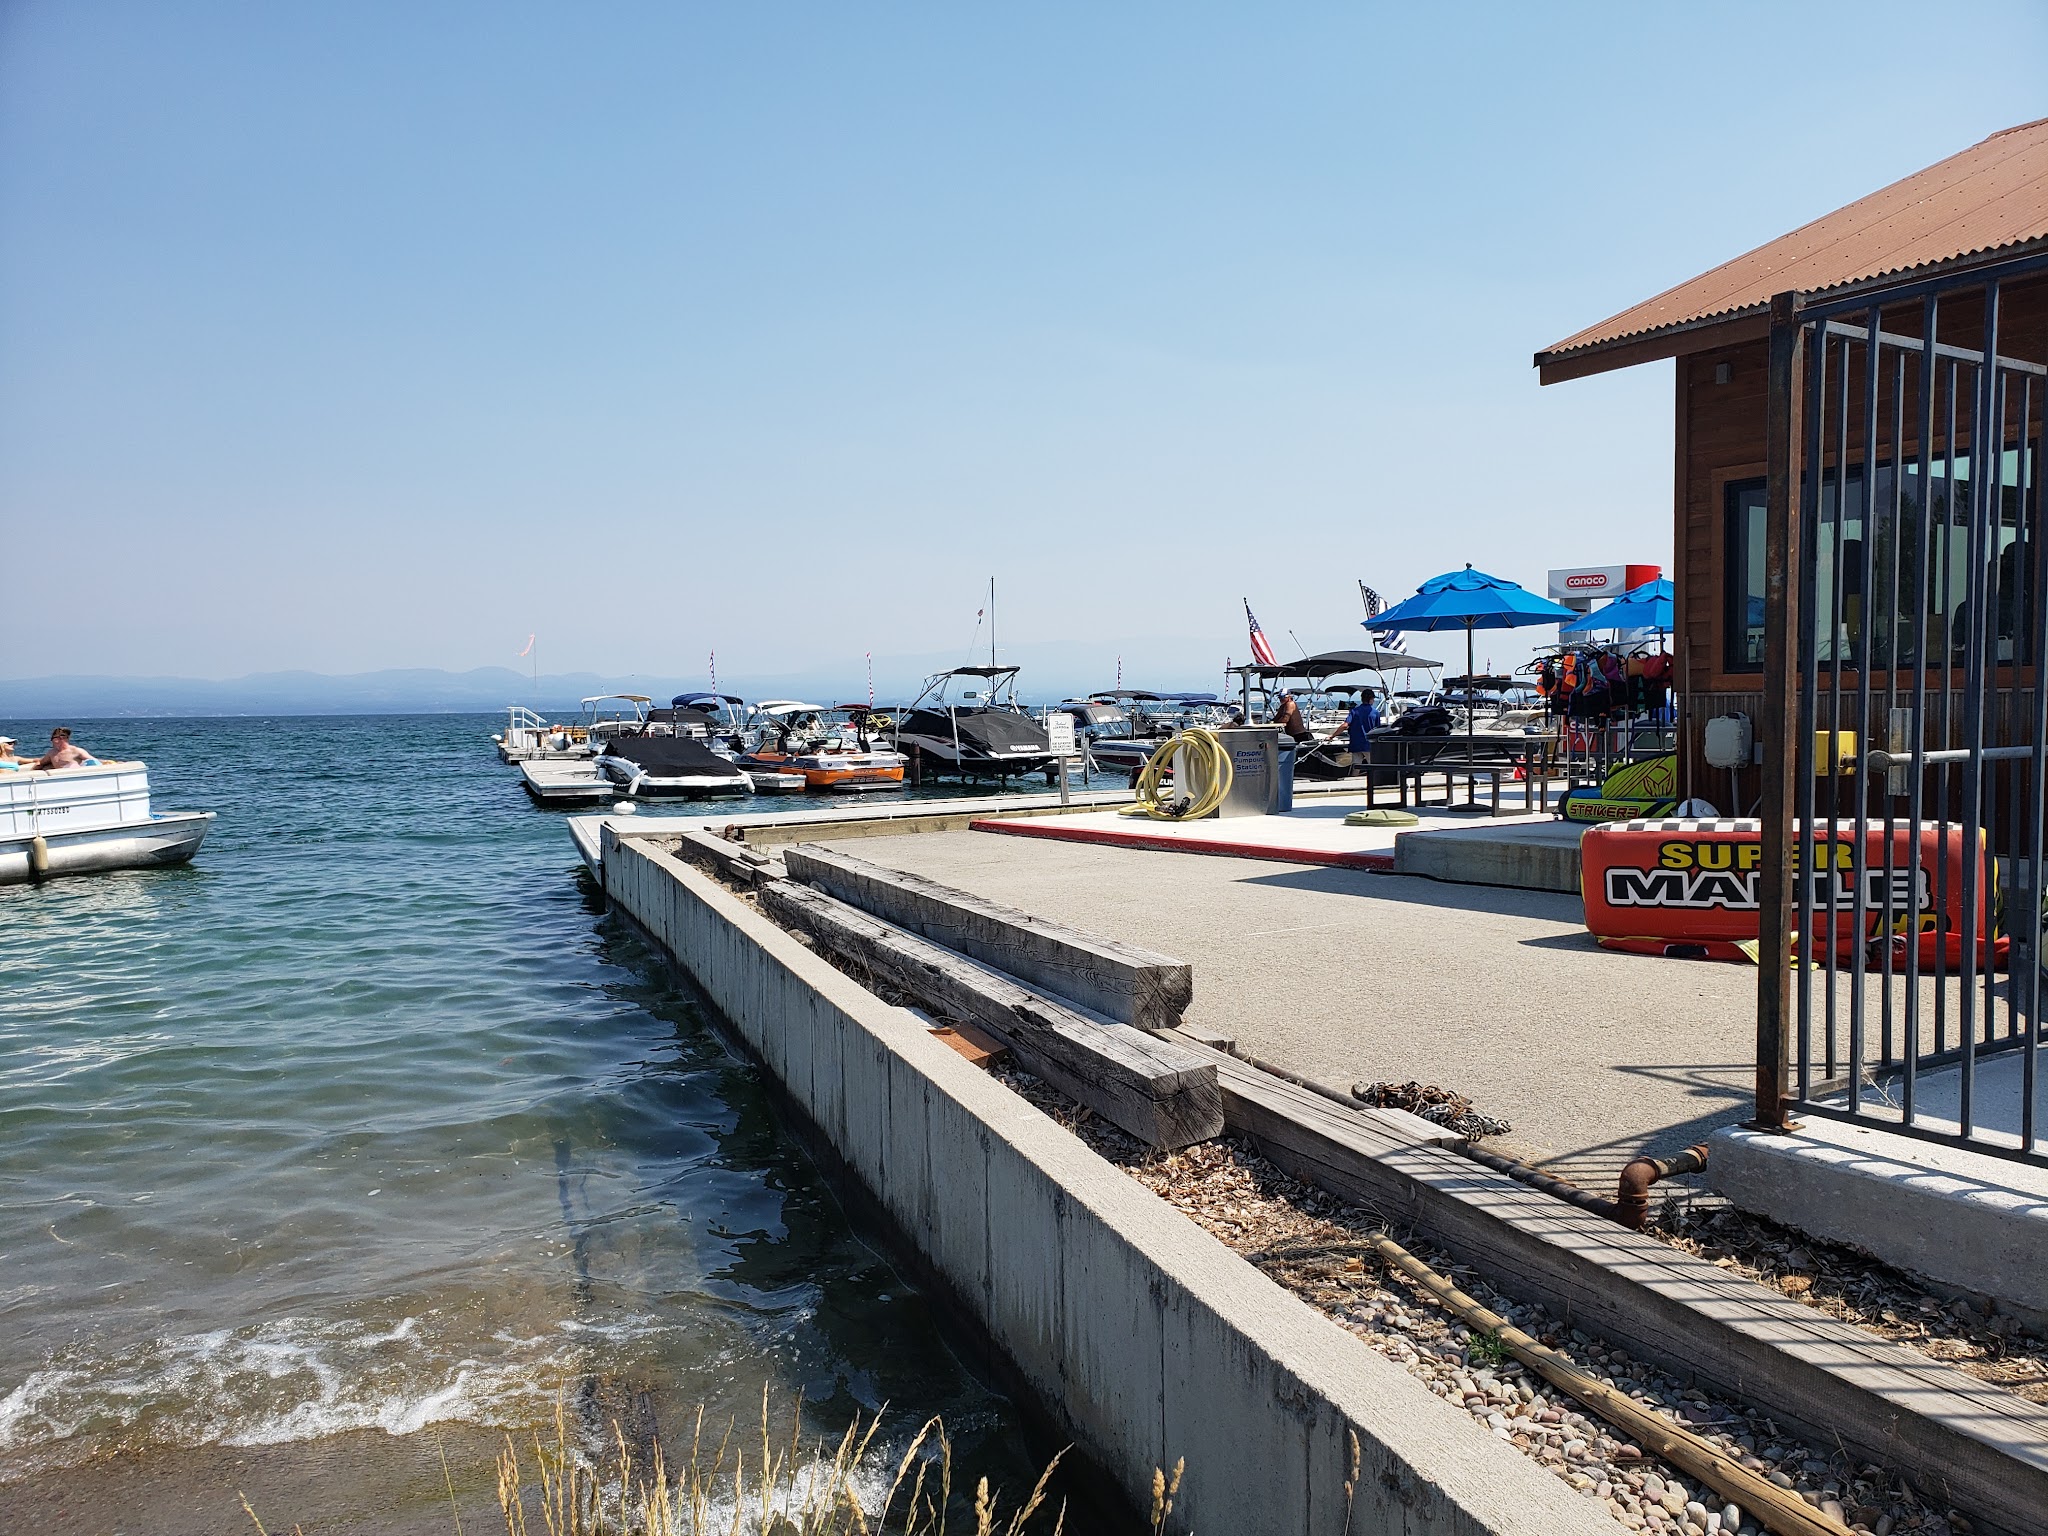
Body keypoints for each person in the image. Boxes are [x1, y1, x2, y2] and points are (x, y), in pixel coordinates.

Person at [30, 727, 97, 771]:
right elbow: (41, 763)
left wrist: (105, 762)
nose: (53, 741)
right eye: (54, 738)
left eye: (57, 738)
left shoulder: (76, 751)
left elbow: (94, 761)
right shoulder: (51, 753)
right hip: (59, 778)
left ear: (65, 739)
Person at [1345, 689, 1381, 753]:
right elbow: (1378, 730)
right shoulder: (1375, 713)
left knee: (1356, 763)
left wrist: (1332, 736)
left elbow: (1345, 725)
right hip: (1369, 746)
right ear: (1371, 699)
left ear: (1362, 699)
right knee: (1372, 763)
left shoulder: (1354, 711)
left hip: (1355, 745)